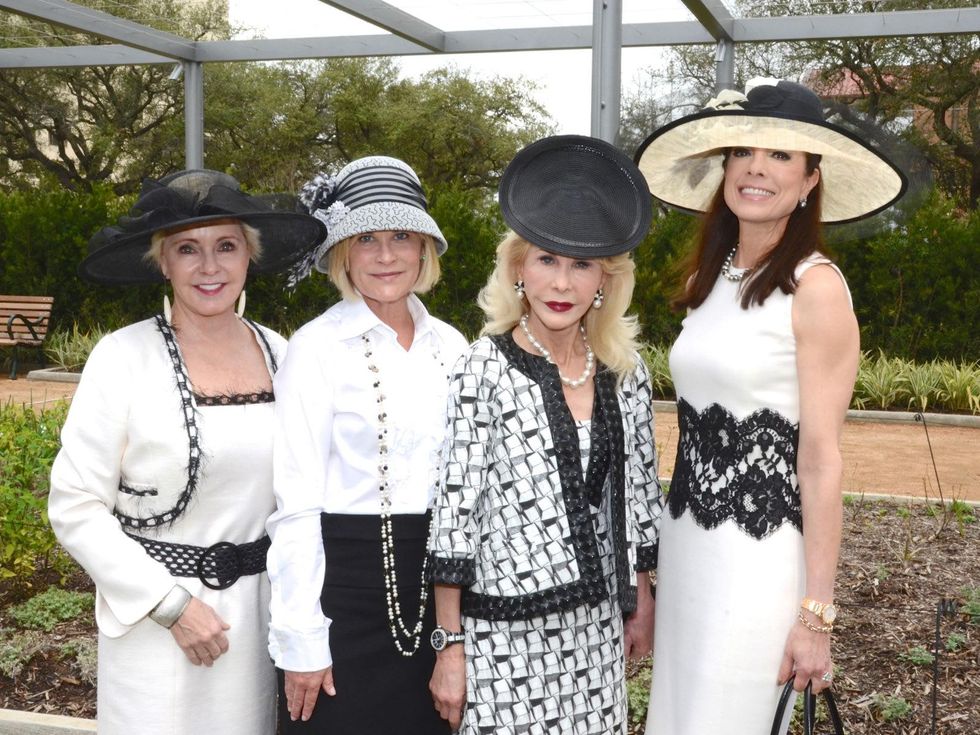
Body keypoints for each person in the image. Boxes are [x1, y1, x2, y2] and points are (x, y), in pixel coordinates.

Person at [633, 79, 907, 733]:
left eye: (782, 155)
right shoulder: (707, 277)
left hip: (757, 566)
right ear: (725, 167)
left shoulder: (816, 289)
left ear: (812, 179)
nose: (758, 166)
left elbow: (820, 461)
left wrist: (816, 615)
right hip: (688, 552)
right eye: (745, 150)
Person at [48, 170, 325, 735]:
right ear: (163, 262)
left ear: (250, 256)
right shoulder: (123, 356)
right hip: (156, 626)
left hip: (257, 623)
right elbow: (74, 504)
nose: (209, 267)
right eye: (187, 250)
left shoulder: (284, 353)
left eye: (226, 246)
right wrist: (171, 605)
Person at [428, 135, 664, 734]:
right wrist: (449, 646)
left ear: (604, 279)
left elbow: (637, 493)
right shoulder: (483, 366)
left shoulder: (624, 372)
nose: (562, 283)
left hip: (597, 634)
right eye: (546, 261)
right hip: (503, 633)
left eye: (581, 264)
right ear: (518, 271)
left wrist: (641, 599)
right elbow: (457, 512)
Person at [266, 156, 468, 734]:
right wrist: (303, 636)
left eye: (401, 236)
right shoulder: (315, 348)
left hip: (440, 590)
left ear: (424, 248)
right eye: (366, 239)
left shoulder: (452, 347)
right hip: (344, 592)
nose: (385, 256)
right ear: (342, 253)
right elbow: (296, 501)